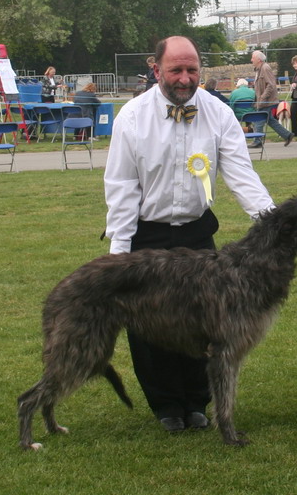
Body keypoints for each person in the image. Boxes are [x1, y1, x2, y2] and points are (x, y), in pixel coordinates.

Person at [104, 35, 275, 433]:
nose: (184, 78)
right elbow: (122, 188)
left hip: (197, 237)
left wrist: (273, 223)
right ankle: (166, 406)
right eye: (176, 70)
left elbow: (241, 175)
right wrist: (118, 254)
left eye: (192, 70)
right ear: (157, 70)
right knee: (150, 328)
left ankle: (198, 403)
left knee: (205, 326)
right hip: (146, 237)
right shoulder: (131, 117)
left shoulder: (219, 113)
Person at [250, 50, 294, 147]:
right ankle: (288, 135)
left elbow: (271, 85)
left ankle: (257, 141)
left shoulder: (265, 68)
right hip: (263, 101)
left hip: (266, 102)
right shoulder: (259, 69)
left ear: (259, 59)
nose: (251, 60)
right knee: (270, 120)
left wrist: (262, 98)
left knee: (259, 120)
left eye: (253, 58)